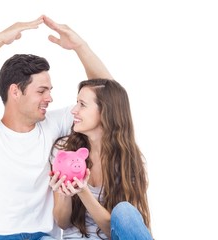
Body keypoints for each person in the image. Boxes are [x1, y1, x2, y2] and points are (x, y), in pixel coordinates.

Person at [0, 15, 112, 240]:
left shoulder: (53, 125)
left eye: (49, 90)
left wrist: (80, 47)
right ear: (15, 91)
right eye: (41, 91)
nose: (50, 98)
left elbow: (109, 97)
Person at [49, 79, 153, 240]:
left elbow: (121, 228)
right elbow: (62, 223)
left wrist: (83, 192)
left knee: (124, 211)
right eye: (76, 103)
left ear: (105, 112)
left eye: (82, 105)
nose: (74, 110)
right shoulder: (64, 149)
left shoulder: (128, 159)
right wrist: (64, 193)